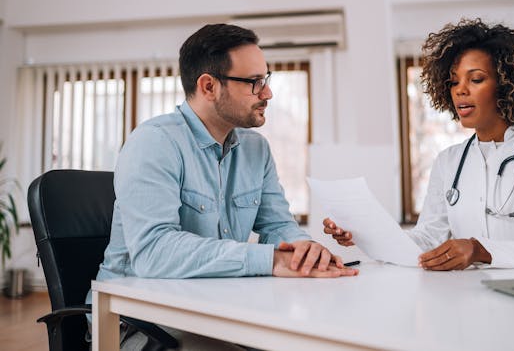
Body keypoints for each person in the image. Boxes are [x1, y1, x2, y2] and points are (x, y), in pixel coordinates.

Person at [89, 23, 357, 350]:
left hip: (211, 305)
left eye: (266, 80)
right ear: (208, 86)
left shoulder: (256, 149)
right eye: (254, 82)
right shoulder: (154, 143)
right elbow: (153, 253)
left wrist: (303, 250)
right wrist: (270, 260)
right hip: (135, 322)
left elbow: (277, 224)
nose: (267, 93)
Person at [324, 18, 514, 270]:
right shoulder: (449, 161)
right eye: (454, 81)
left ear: (508, 85)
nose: (460, 90)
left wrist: (479, 250)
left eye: (476, 79)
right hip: (464, 298)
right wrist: (366, 236)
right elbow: (427, 239)